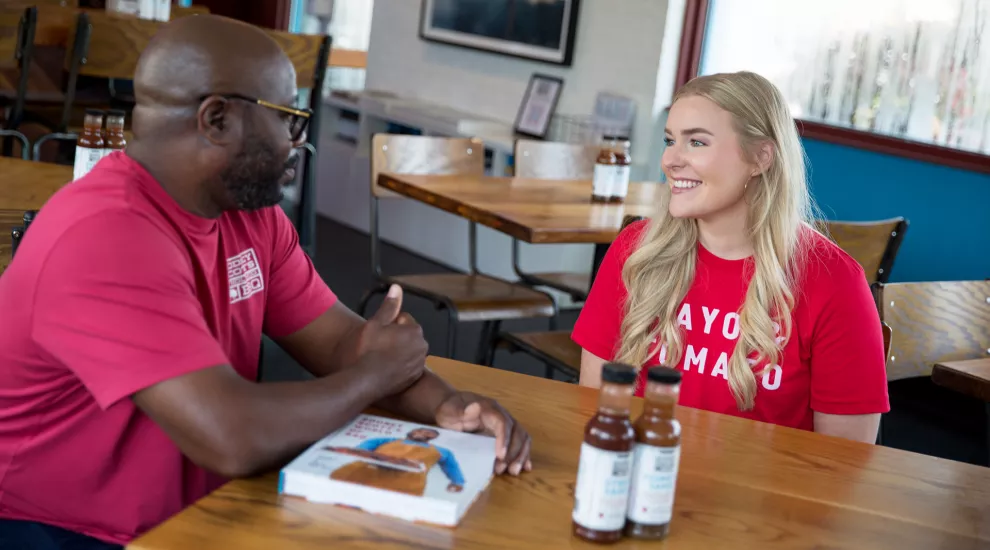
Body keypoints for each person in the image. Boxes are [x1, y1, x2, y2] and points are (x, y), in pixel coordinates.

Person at [0, 15, 531, 550]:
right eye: (289, 120)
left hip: (201, 508)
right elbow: (232, 436)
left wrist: (449, 406)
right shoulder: (105, 235)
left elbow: (341, 342)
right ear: (217, 120)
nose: (298, 143)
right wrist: (373, 376)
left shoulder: (248, 215)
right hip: (60, 529)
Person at [571, 71, 888, 444]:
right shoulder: (635, 251)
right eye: (670, 141)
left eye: (697, 142)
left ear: (760, 157)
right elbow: (592, 408)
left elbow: (844, 465)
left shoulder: (834, 282)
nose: (670, 160)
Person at [327, 428, 465, 496]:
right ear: (411, 431)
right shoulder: (388, 440)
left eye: (428, 433)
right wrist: (360, 452)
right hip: (366, 470)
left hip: (406, 481)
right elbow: (365, 446)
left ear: (432, 438)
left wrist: (457, 482)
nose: (423, 433)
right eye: (420, 430)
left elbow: (452, 466)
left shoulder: (442, 451)